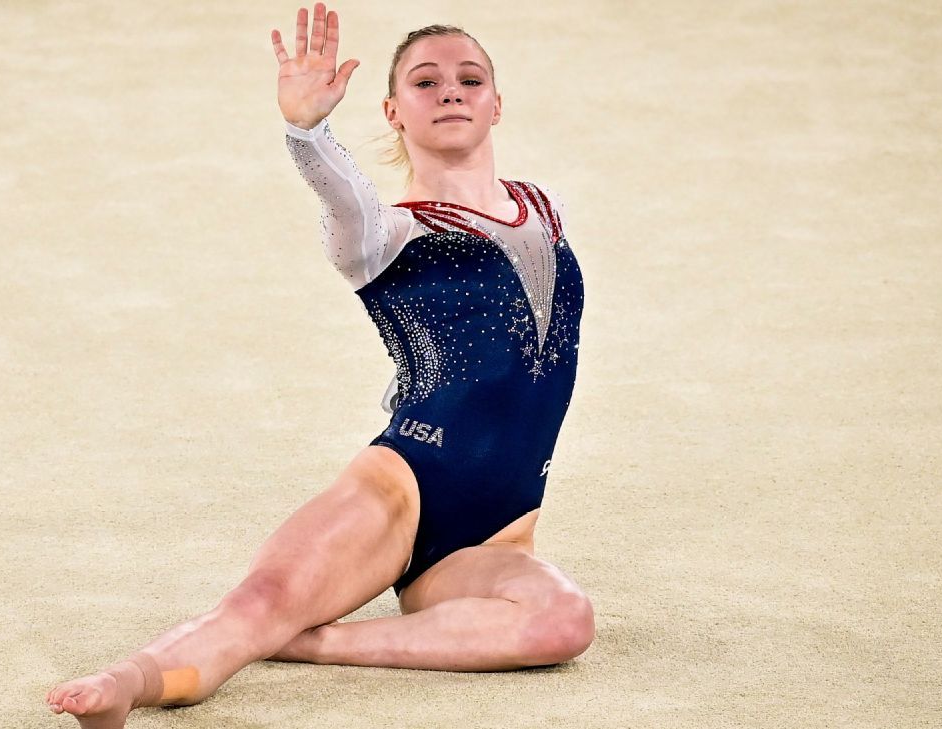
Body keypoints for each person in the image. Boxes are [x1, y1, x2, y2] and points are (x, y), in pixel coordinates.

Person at [45, 4, 594, 726]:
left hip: (499, 533)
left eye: (470, 78)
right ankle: (130, 680)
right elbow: (343, 194)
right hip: (403, 485)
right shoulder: (383, 234)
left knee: (565, 622)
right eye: (426, 82)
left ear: (497, 102)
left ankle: (311, 640)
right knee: (257, 604)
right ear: (394, 110)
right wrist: (306, 129)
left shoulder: (542, 207)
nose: (451, 91)